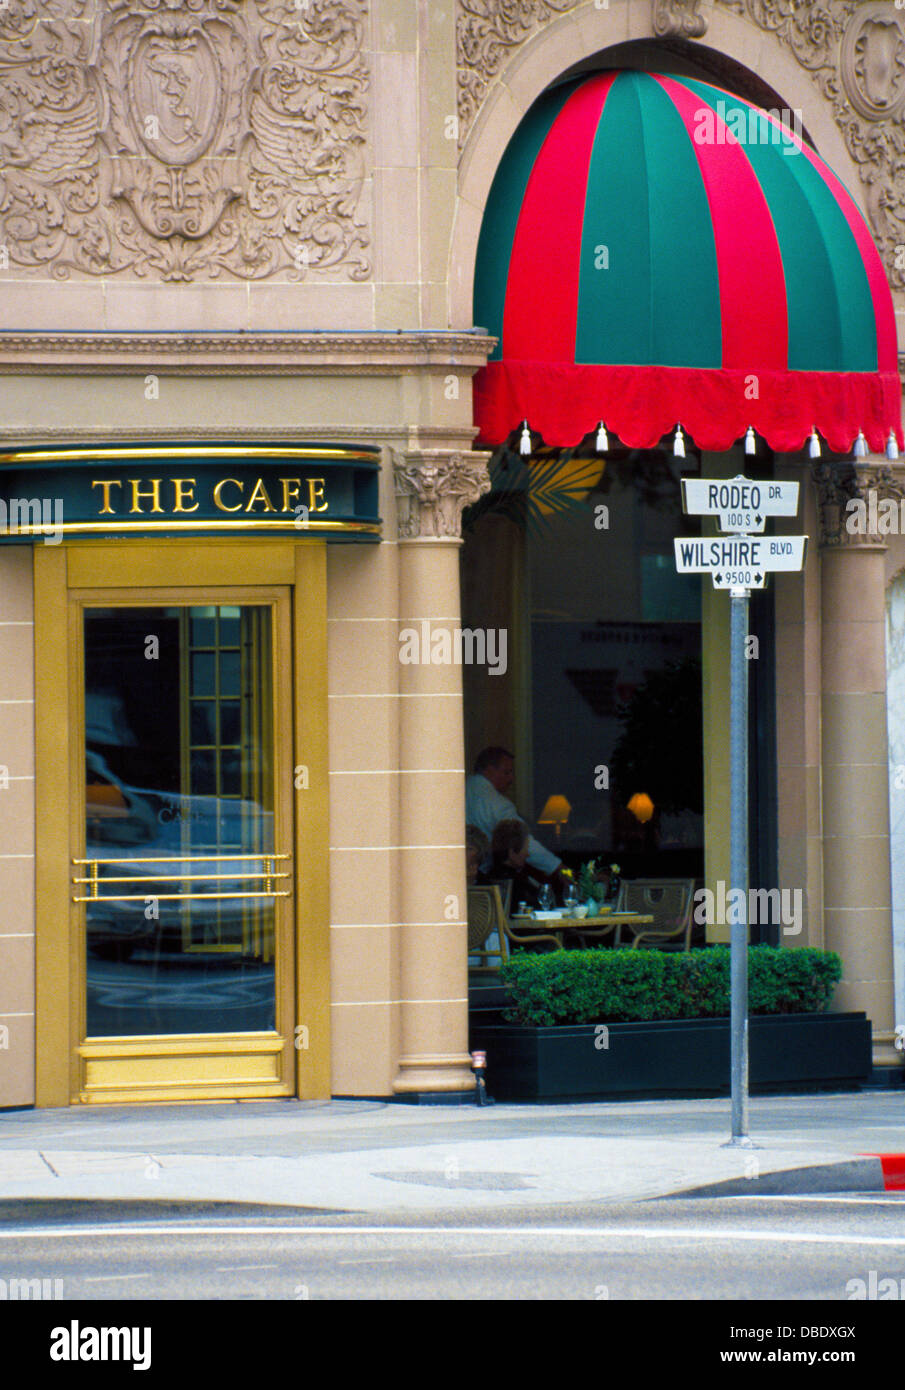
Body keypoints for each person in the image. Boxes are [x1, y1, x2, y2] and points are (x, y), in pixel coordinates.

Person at [464, 746, 563, 885]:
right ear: (490, 770)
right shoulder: (497, 803)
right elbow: (521, 839)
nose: (511, 779)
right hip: (482, 878)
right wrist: (560, 869)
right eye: (507, 772)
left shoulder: (460, 789)